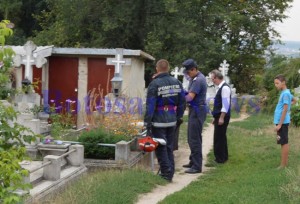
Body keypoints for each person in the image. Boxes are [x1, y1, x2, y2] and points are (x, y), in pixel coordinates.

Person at [144, 59, 186, 181]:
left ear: (157, 69)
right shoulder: (177, 82)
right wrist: (178, 117)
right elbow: (182, 103)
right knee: (169, 147)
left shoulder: (154, 84)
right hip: (172, 119)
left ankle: (166, 173)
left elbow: (150, 105)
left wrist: (147, 123)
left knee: (161, 147)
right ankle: (170, 171)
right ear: (168, 68)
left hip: (158, 120)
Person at [181, 59, 207, 174]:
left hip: (197, 110)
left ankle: (197, 166)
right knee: (192, 136)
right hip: (194, 109)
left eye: (188, 72)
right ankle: (193, 161)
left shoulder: (198, 80)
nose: (187, 74)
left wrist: (179, 98)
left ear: (194, 69)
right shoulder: (195, 78)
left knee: (194, 138)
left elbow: (190, 97)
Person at [273, 74, 296, 169]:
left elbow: (285, 109)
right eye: (275, 83)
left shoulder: (285, 93)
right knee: (282, 141)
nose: (276, 85)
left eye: (277, 83)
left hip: (282, 122)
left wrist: (280, 124)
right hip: (281, 122)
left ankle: (283, 165)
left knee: (284, 142)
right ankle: (283, 163)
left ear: (283, 82)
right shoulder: (286, 92)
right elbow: (294, 100)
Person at [210, 69, 231, 164]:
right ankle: (223, 157)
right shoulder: (220, 87)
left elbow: (225, 105)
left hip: (223, 116)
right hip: (219, 116)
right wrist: (216, 118)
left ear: (217, 78)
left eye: (213, 78)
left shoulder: (225, 88)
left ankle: (220, 159)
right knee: (221, 137)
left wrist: (221, 117)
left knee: (219, 138)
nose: (212, 81)